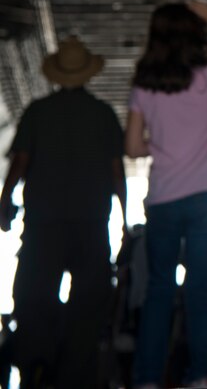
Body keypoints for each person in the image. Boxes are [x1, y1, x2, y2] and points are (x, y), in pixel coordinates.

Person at [126, 1, 207, 388]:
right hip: (206, 196)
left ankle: (147, 378)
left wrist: (159, 145)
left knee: (159, 289)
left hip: (163, 198)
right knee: (200, 287)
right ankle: (205, 375)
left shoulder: (144, 85)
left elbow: (131, 147)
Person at [0, 36, 127, 389]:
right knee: (88, 305)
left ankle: (37, 366)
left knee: (33, 295)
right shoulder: (102, 114)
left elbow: (20, 162)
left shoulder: (37, 112)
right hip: (90, 225)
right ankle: (76, 375)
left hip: (43, 224)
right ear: (87, 74)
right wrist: (125, 223)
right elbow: (117, 172)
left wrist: (4, 199)